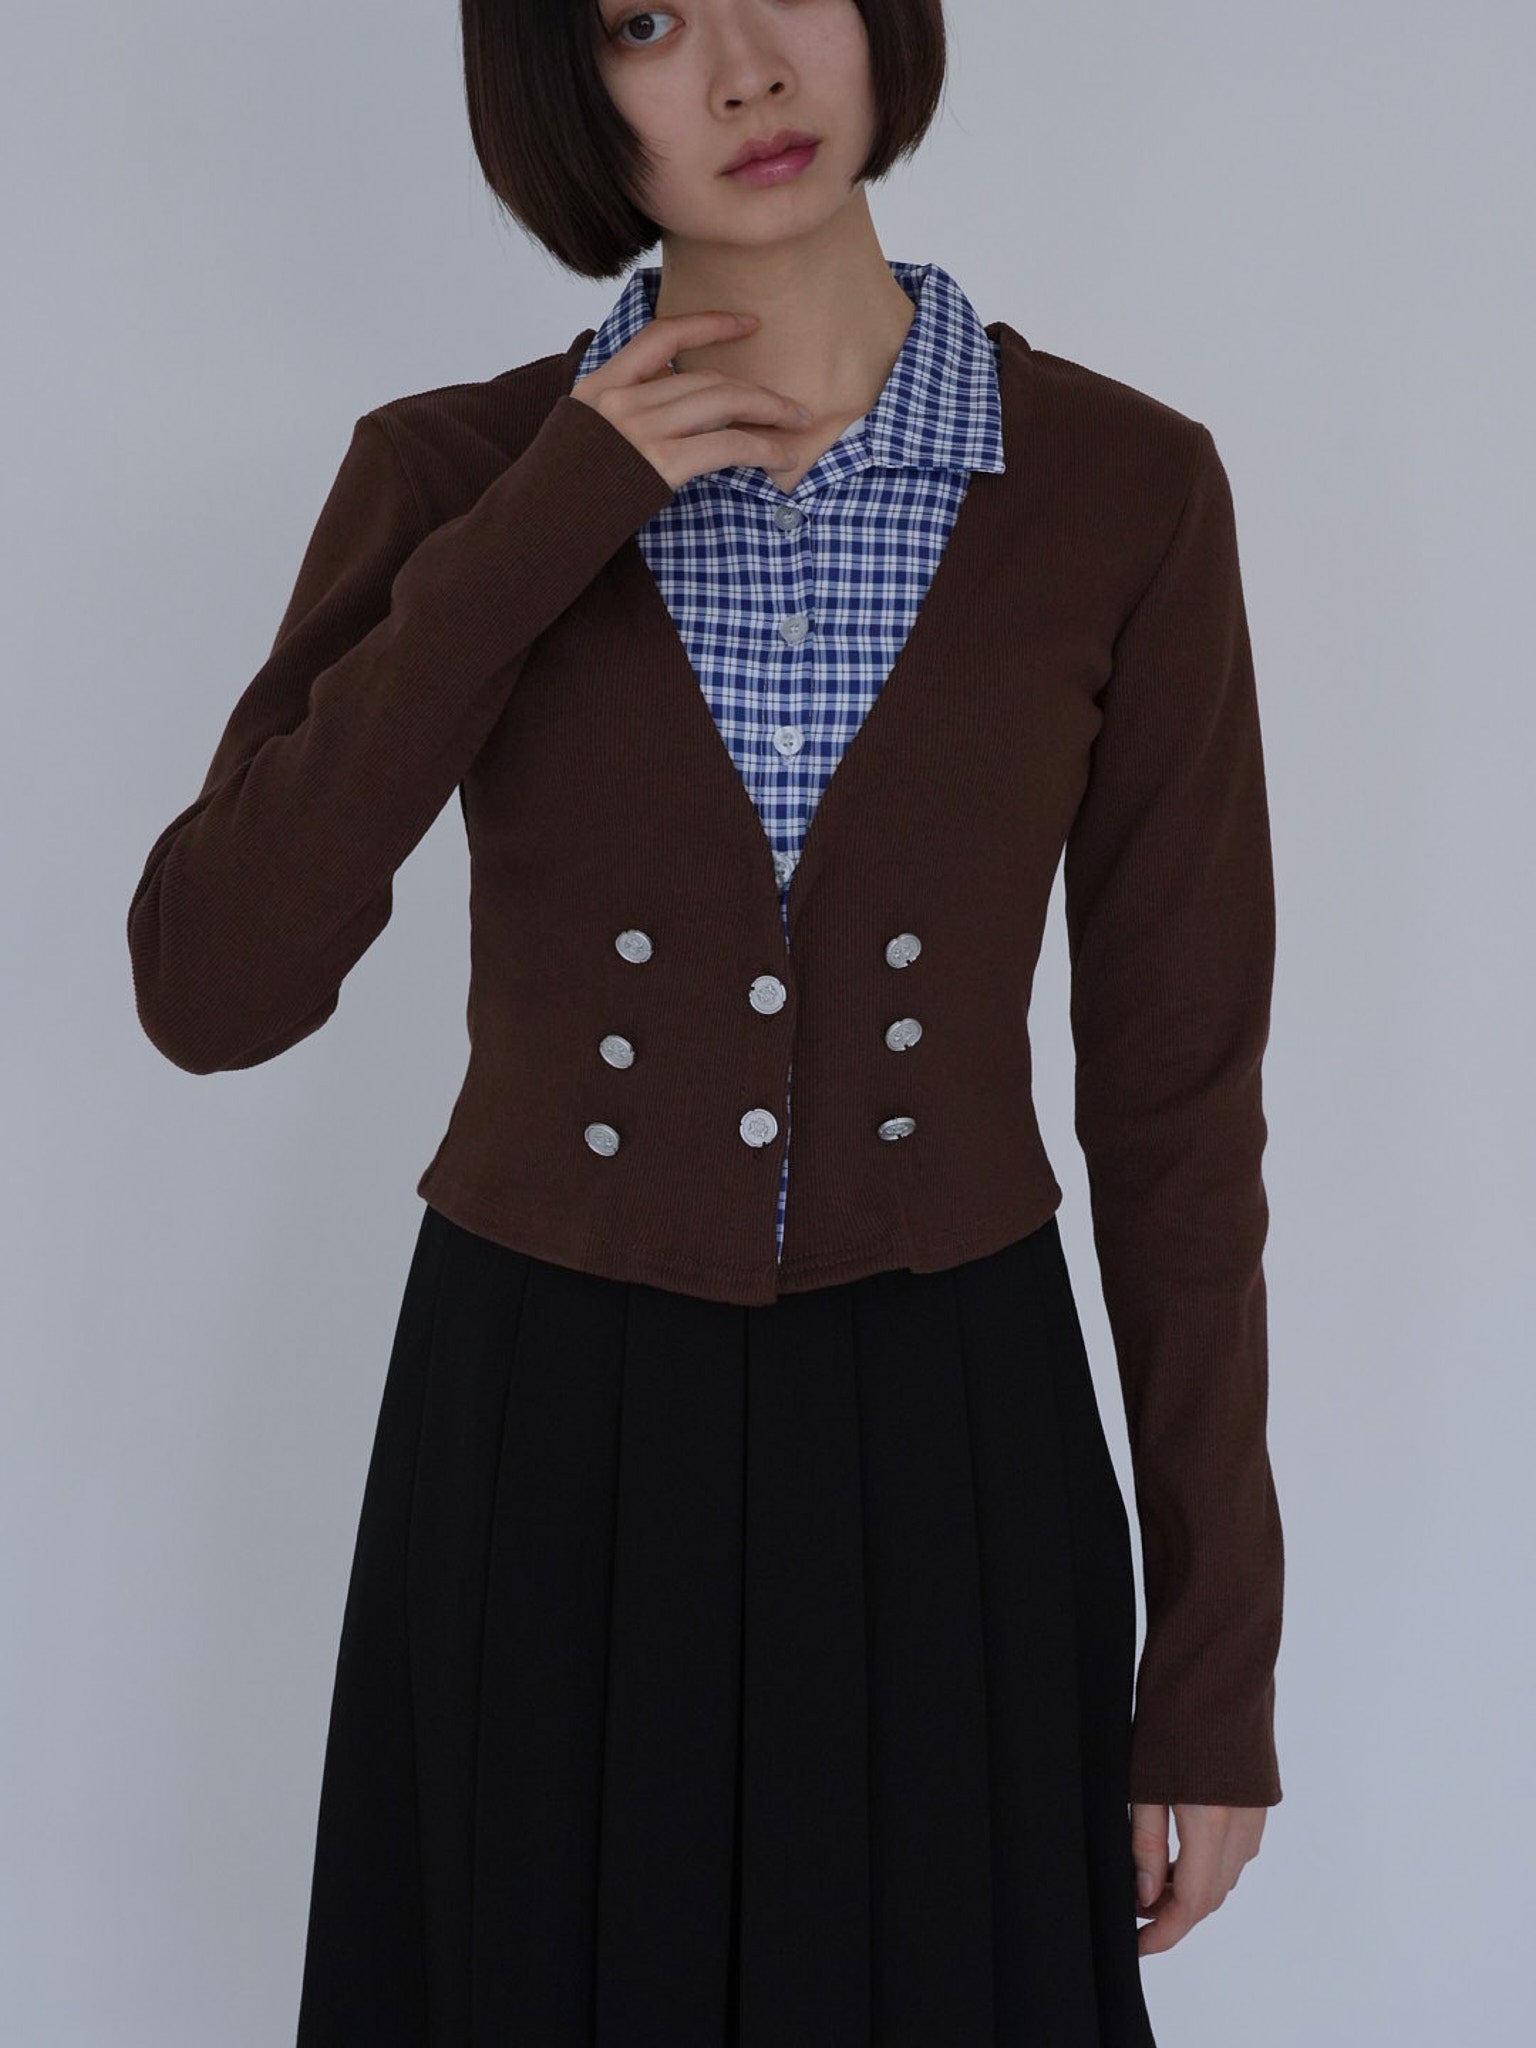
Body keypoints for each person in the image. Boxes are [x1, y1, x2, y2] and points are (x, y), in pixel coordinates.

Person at [126, 2, 1284, 2040]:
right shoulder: (457, 475)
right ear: (560, 85)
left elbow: (1181, 1105)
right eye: (645, 19)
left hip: (957, 1442)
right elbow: (211, 986)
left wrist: (1213, 1665)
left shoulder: (1128, 487)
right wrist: (548, 515)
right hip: (546, 1436)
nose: (745, 70)